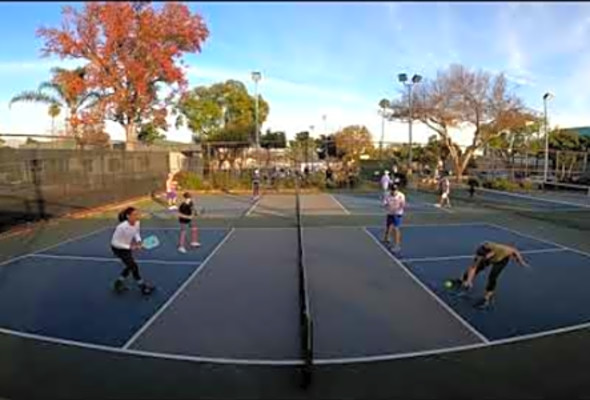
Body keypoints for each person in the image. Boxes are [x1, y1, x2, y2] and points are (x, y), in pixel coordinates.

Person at [449, 241, 529, 309]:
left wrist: (521, 262)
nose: (485, 257)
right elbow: (473, 267)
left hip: (501, 261)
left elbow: (515, 251)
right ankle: (462, 281)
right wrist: (469, 281)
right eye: (484, 256)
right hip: (492, 256)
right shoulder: (481, 252)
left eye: (487, 256)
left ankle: (486, 298)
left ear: (491, 252)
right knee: (474, 269)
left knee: (493, 276)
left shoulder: (504, 250)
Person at [111, 207, 155, 295]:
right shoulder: (121, 227)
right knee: (134, 266)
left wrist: (139, 241)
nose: (137, 216)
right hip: (118, 249)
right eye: (135, 215)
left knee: (130, 266)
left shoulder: (137, 223)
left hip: (126, 248)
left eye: (137, 214)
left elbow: (136, 232)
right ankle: (143, 287)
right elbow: (114, 242)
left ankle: (118, 283)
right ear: (128, 216)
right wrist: (130, 247)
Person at [382, 184, 406, 253]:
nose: (394, 192)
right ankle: (387, 238)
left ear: (397, 190)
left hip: (397, 214)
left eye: (395, 190)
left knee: (396, 229)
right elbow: (385, 203)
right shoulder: (387, 195)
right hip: (390, 213)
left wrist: (396, 209)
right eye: (392, 190)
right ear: (390, 190)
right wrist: (388, 207)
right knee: (388, 226)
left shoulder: (401, 195)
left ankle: (397, 245)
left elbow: (402, 205)